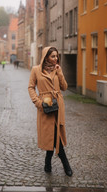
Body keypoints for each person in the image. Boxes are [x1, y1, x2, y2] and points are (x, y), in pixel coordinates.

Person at [28, 46, 73, 176]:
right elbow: (31, 87)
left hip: (57, 107)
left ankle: (48, 163)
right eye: (53, 56)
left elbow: (64, 87)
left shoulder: (58, 69)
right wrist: (38, 102)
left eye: (56, 56)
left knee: (55, 134)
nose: (55, 59)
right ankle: (65, 164)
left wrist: (59, 72)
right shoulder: (36, 70)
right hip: (45, 107)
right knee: (52, 135)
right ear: (46, 56)